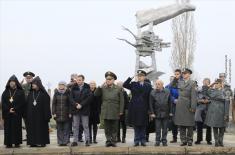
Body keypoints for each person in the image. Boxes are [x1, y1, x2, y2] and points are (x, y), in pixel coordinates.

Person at [94, 71, 124, 147]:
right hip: (106, 110)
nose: (108, 80)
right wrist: (100, 86)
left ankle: (113, 141)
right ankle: (108, 140)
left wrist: (121, 111)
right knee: (107, 127)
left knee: (114, 127)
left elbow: (122, 101)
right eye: (107, 79)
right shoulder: (103, 88)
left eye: (110, 79)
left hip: (115, 110)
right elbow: (96, 94)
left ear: (113, 80)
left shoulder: (118, 88)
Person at [123, 70, 152, 147]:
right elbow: (124, 84)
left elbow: (150, 98)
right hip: (134, 108)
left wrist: (150, 109)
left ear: (144, 77)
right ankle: (136, 140)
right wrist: (131, 77)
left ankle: (143, 140)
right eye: (138, 76)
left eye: (141, 76)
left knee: (143, 125)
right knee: (136, 125)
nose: (140, 77)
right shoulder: (133, 84)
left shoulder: (148, 85)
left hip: (144, 108)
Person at [174, 68, 197, 146]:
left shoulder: (192, 83)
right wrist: (175, 78)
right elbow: (171, 85)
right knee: (181, 124)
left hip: (188, 104)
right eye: (183, 73)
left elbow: (194, 96)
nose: (184, 75)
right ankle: (183, 140)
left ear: (189, 74)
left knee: (190, 124)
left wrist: (193, 107)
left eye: (185, 73)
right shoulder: (179, 82)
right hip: (180, 105)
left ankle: (189, 140)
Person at [26, 76, 51, 147]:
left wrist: (47, 116)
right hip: (32, 116)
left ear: (38, 84)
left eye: (33, 84)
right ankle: (32, 142)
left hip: (41, 116)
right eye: (32, 84)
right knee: (32, 129)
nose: (32, 85)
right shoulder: (31, 93)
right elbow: (27, 105)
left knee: (41, 129)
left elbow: (46, 106)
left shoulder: (44, 94)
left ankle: (42, 142)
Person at [1, 75, 26, 148]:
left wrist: (14, 109)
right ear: (9, 83)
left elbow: (22, 102)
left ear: (16, 83)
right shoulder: (5, 92)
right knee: (8, 128)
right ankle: (8, 143)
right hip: (8, 114)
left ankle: (17, 143)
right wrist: (8, 109)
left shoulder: (20, 92)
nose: (12, 83)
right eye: (10, 82)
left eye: (13, 82)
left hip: (16, 114)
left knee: (16, 128)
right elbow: (3, 103)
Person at [205, 79, 230, 147]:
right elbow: (206, 91)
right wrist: (211, 85)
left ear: (221, 84)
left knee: (222, 127)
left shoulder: (225, 91)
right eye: (215, 83)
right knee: (215, 126)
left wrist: (226, 114)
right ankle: (216, 141)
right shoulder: (212, 91)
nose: (216, 85)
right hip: (213, 111)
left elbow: (227, 103)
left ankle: (220, 140)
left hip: (221, 110)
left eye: (217, 83)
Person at [70, 74, 92, 147]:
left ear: (83, 80)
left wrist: (81, 105)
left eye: (80, 80)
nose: (78, 81)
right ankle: (75, 141)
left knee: (85, 126)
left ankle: (87, 140)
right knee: (75, 126)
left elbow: (89, 98)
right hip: (76, 109)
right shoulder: (74, 87)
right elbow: (71, 98)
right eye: (77, 80)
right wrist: (76, 104)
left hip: (84, 109)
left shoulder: (87, 87)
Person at [149, 80, 172, 147]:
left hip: (166, 113)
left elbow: (170, 103)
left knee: (165, 128)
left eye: (158, 84)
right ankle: (157, 141)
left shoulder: (167, 91)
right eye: (156, 84)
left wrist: (170, 112)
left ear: (162, 85)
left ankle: (164, 140)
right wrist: (152, 113)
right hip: (157, 113)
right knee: (157, 128)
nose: (157, 85)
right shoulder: (153, 92)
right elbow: (151, 104)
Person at [52, 81, 71, 146]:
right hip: (58, 114)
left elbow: (70, 104)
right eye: (59, 85)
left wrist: (70, 112)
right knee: (59, 129)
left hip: (66, 114)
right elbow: (54, 104)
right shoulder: (56, 93)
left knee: (66, 129)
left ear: (65, 86)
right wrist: (53, 113)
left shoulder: (68, 93)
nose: (61, 86)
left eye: (62, 85)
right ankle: (60, 142)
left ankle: (65, 141)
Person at [165, 69, 181, 143]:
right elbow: (169, 94)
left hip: (182, 104)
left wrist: (180, 100)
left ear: (180, 74)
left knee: (182, 121)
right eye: (175, 74)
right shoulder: (171, 84)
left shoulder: (183, 82)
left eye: (178, 74)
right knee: (174, 122)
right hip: (174, 104)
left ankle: (183, 138)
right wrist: (174, 99)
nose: (176, 75)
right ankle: (174, 138)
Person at [194, 78, 212, 145]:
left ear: (209, 83)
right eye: (204, 81)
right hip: (200, 109)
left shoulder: (211, 90)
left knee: (208, 126)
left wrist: (208, 101)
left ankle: (208, 140)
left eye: (207, 82)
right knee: (199, 125)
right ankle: (199, 139)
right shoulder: (199, 90)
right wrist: (200, 100)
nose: (206, 82)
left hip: (208, 109)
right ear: (202, 82)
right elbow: (195, 98)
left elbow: (213, 98)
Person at [21, 71, 35, 141]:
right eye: (27, 78)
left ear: (32, 78)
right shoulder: (22, 86)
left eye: (30, 78)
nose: (28, 79)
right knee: (26, 123)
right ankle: (28, 136)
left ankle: (33, 136)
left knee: (33, 122)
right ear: (25, 78)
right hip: (25, 108)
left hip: (33, 108)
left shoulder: (35, 85)